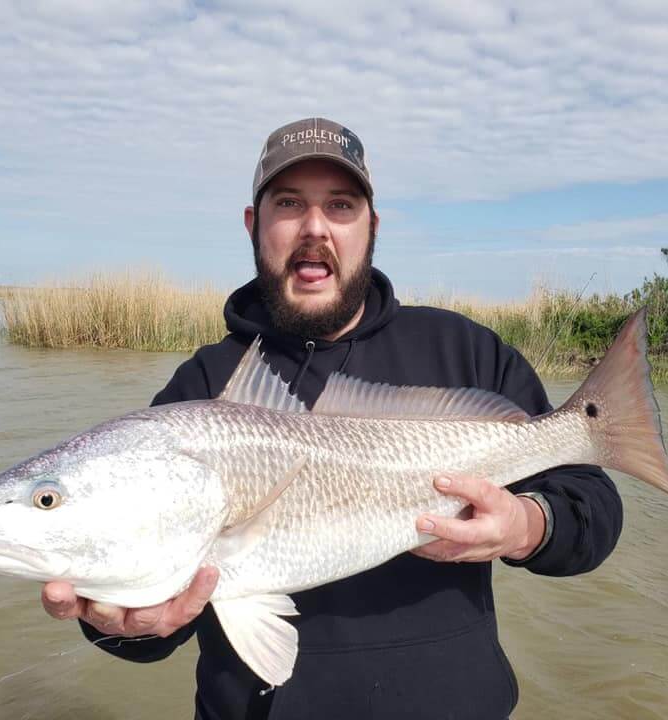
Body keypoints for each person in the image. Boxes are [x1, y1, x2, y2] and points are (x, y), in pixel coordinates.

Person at [41, 118, 623, 719]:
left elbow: (593, 513)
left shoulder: (465, 351)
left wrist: (526, 525)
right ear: (254, 223)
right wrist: (130, 624)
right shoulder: (203, 390)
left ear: (371, 226)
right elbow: (158, 629)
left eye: (340, 206)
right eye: (289, 203)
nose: (314, 228)